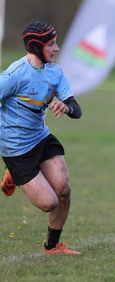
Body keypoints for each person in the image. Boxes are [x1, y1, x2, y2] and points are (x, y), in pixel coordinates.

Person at [0, 21, 82, 254]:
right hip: (16, 149)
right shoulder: (15, 75)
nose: (56, 48)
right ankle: (13, 171)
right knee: (49, 203)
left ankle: (52, 246)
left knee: (63, 190)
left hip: (40, 138)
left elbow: (76, 109)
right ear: (36, 47)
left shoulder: (55, 72)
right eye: (51, 44)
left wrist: (67, 108)